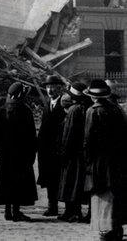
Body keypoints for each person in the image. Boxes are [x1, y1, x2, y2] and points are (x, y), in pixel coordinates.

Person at [84, 79, 127, 241]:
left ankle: (105, 230)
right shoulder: (116, 109)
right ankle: (116, 228)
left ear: (93, 97)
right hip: (117, 161)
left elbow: (88, 141)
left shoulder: (93, 111)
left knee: (101, 196)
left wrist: (88, 162)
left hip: (99, 162)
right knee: (115, 195)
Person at [0, 82, 37, 222]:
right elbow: (31, 135)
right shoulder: (25, 110)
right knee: (18, 183)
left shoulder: (3, 110)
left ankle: (7, 211)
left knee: (6, 181)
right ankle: (16, 211)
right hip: (21, 154)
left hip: (6, 154)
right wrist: (32, 153)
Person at [57, 82, 88, 223]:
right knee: (73, 183)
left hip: (71, 153)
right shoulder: (82, 108)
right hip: (78, 153)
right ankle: (72, 211)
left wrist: (63, 151)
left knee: (70, 183)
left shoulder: (74, 111)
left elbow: (68, 134)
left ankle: (73, 212)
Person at [37, 74, 66, 217]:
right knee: (50, 179)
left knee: (63, 178)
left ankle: (68, 209)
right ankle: (52, 206)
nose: (50, 90)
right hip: (48, 150)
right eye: (48, 87)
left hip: (60, 148)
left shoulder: (64, 103)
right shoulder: (47, 103)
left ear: (59, 88)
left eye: (53, 87)